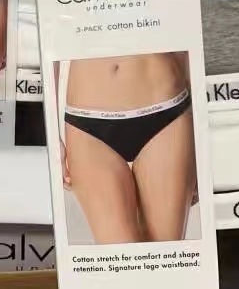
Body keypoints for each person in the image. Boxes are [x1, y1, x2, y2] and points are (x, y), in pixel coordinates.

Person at [60, 53, 195, 243]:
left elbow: (185, 42)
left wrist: (197, 133)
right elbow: (50, 42)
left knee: (164, 254)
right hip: (87, 122)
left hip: (167, 109)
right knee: (120, 255)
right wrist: (52, 135)